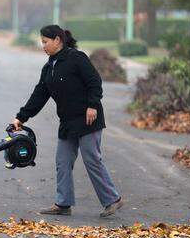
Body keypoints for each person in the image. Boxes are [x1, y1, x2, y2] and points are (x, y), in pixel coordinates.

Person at [11, 24, 124, 218]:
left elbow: (94, 82)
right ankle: (63, 204)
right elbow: (40, 94)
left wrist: (92, 105)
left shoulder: (76, 58)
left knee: (92, 159)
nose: (43, 46)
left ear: (57, 40)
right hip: (68, 122)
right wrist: (21, 117)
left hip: (88, 119)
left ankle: (113, 200)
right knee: (62, 161)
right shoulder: (49, 67)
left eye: (45, 42)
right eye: (42, 43)